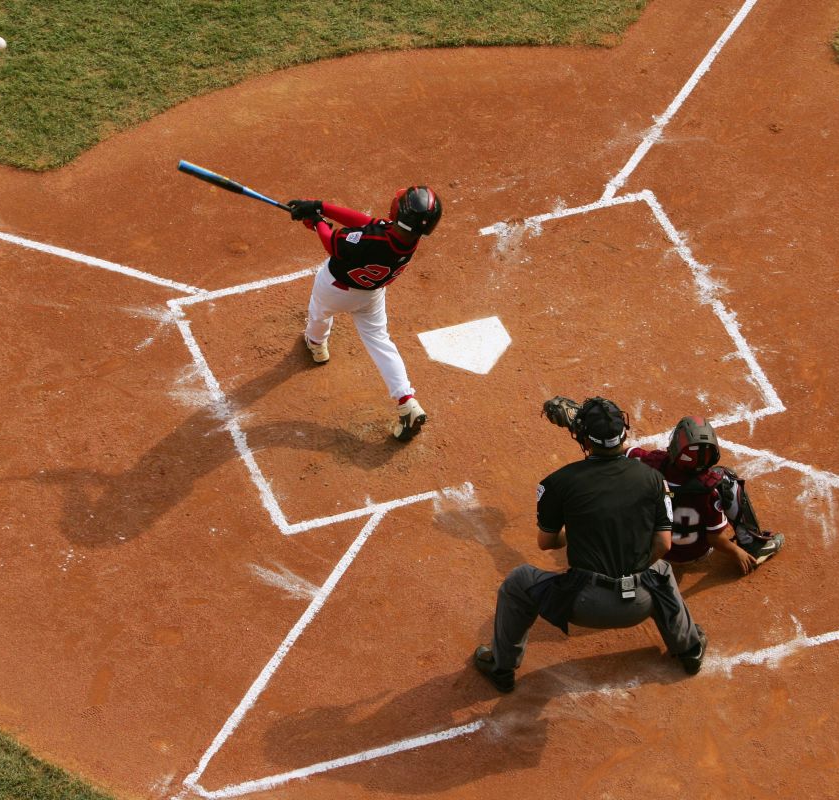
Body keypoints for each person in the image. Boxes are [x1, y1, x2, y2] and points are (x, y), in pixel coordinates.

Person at [472, 398, 707, 694]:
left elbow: (546, 543)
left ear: (583, 438)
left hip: (583, 605)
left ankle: (501, 667)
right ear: (624, 433)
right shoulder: (653, 479)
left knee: (518, 581)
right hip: (641, 602)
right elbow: (663, 543)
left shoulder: (559, 482)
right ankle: (690, 650)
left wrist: (578, 532)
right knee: (660, 569)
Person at [286, 188, 441, 442]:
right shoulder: (408, 238)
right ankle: (406, 400)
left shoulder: (371, 241)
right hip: (371, 296)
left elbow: (332, 243)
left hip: (335, 289)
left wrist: (317, 223)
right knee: (380, 341)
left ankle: (316, 345)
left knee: (319, 314)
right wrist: (320, 206)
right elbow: (366, 222)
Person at [624, 416, 785, 575]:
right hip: (695, 553)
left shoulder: (652, 464)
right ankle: (752, 543)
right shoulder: (709, 489)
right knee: (727, 477)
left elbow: (623, 451)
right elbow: (715, 538)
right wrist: (737, 552)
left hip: (656, 551)